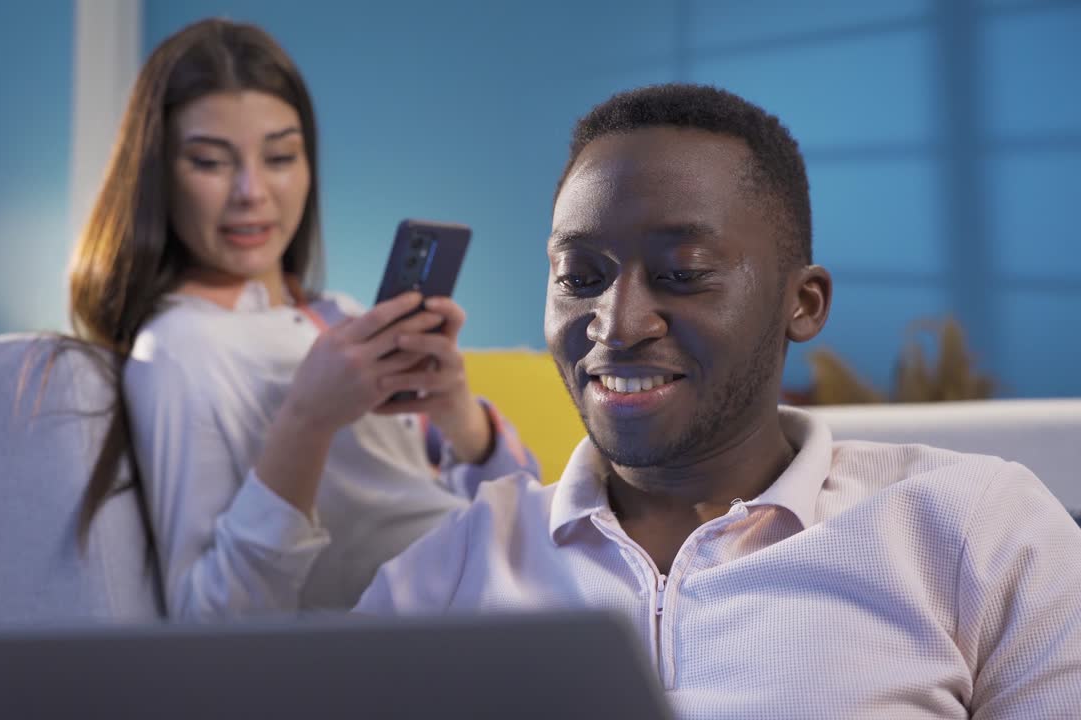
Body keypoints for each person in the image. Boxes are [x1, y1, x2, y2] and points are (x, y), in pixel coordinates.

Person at [355, 84, 1081, 716]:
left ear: (803, 303)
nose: (617, 324)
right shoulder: (454, 568)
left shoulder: (978, 531)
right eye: (579, 277)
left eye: (682, 273)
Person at [65, 18, 537, 619]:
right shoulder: (180, 349)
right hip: (445, 632)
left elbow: (518, 514)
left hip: (516, 589)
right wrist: (306, 421)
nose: (251, 191)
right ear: (158, 177)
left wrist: (460, 416)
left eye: (281, 156)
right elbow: (209, 619)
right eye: (210, 162)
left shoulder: (340, 317)